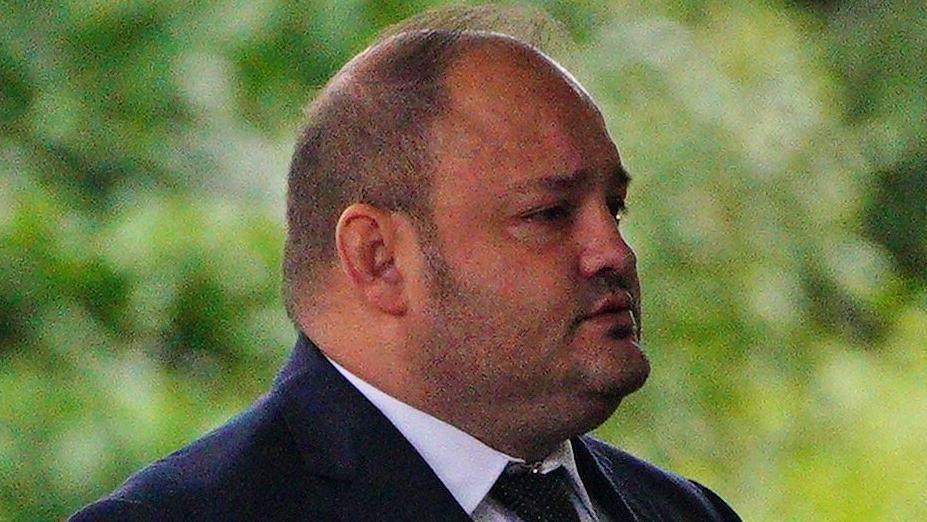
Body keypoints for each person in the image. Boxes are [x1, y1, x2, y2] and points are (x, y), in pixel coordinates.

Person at [72, 11, 741, 522]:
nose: (614, 253)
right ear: (379, 259)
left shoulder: (683, 512)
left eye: (614, 208)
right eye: (548, 214)